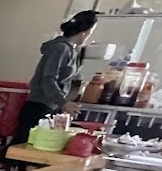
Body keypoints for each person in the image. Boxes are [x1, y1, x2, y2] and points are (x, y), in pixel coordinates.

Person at [13, 10, 99, 145]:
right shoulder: (60, 49)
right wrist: (63, 103)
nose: (89, 36)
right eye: (90, 32)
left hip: (50, 106)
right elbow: (48, 79)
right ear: (84, 32)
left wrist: (68, 102)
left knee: (35, 148)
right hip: (39, 106)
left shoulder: (72, 51)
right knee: (19, 147)